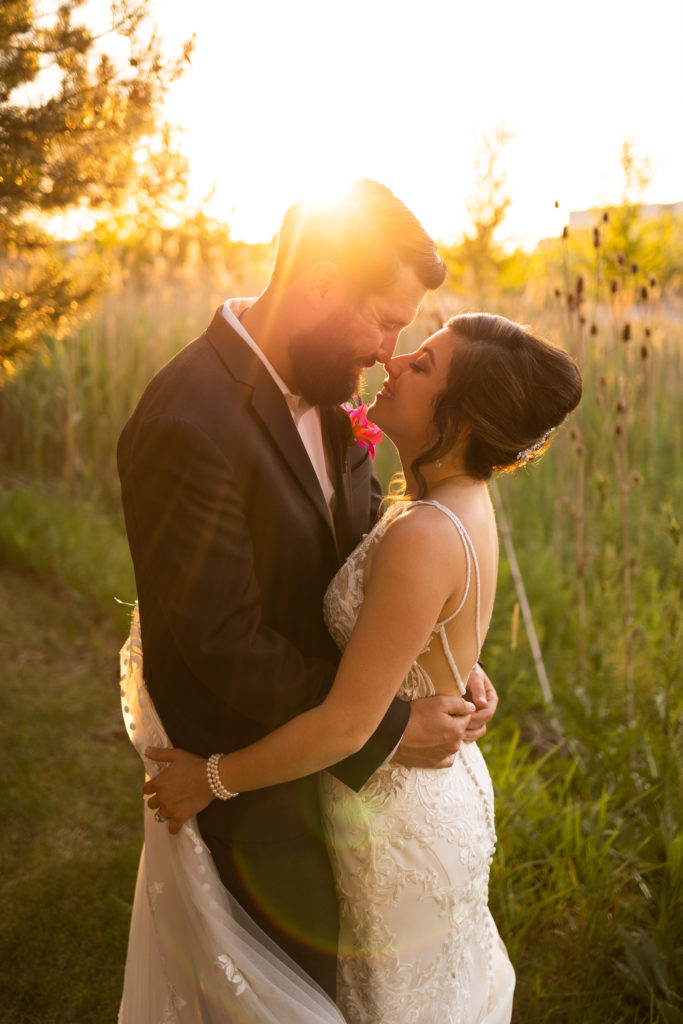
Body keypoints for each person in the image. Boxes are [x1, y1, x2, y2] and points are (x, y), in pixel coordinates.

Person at [117, 181, 498, 1019]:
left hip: (334, 775)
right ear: (321, 284)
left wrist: (438, 665)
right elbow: (218, 642)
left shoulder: (330, 389)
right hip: (254, 796)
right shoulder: (187, 419)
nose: (391, 351)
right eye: (386, 319)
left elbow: (365, 559)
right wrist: (388, 726)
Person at [142, 313, 583, 1023]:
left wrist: (210, 780)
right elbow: (430, 629)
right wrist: (452, 674)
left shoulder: (425, 534)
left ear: (461, 417)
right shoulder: (456, 504)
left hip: (395, 818)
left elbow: (346, 727)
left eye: (424, 364)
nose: (396, 358)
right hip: (435, 793)